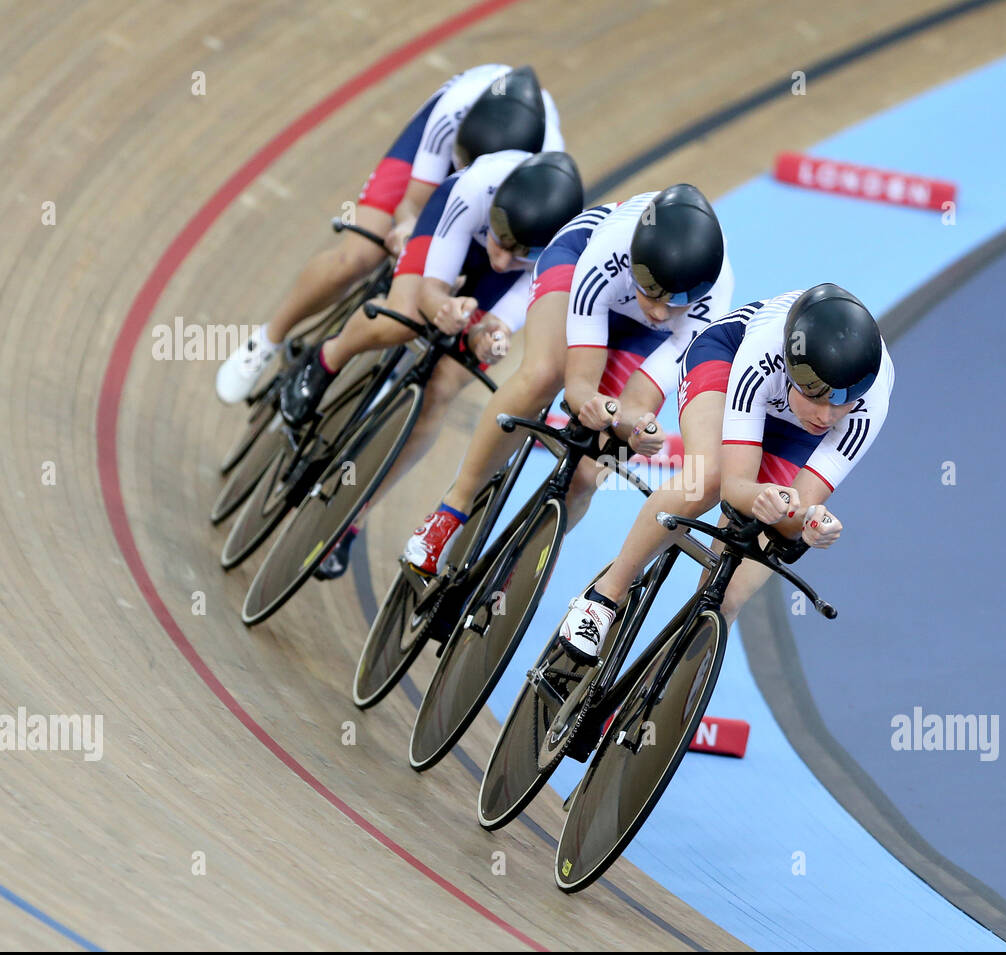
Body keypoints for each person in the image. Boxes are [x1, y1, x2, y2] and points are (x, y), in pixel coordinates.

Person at [400, 183, 736, 575]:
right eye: (654, 293)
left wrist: (637, 426)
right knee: (544, 374)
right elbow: (579, 387)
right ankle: (451, 510)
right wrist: (590, 402)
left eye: (676, 301)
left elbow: (639, 400)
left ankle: (521, 571)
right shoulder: (611, 250)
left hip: (648, 341)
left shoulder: (711, 297)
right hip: (577, 266)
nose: (662, 312)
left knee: (594, 469)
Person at [284, 148, 585, 577]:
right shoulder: (476, 189)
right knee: (403, 320)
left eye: (520, 251)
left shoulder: (560, 257)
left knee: (444, 387)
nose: (502, 257)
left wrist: (488, 338)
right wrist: (440, 306)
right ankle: (324, 359)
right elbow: (431, 289)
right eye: (502, 240)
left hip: (508, 284)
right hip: (456, 227)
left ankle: (354, 519)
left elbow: (500, 325)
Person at [554, 283, 895, 661]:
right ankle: (605, 595)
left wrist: (810, 521)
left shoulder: (871, 401)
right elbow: (735, 487)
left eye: (841, 404)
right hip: (725, 362)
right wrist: (759, 496)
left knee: (729, 595)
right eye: (816, 397)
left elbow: (795, 514)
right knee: (708, 477)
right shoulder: (765, 352)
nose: (826, 416)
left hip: (794, 435)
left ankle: (665, 694)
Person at [214, 64, 563, 403]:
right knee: (358, 255)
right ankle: (266, 339)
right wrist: (408, 226)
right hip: (444, 159)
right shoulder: (455, 111)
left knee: (445, 351)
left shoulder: (541, 182)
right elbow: (412, 202)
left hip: (494, 204)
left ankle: (390, 372)